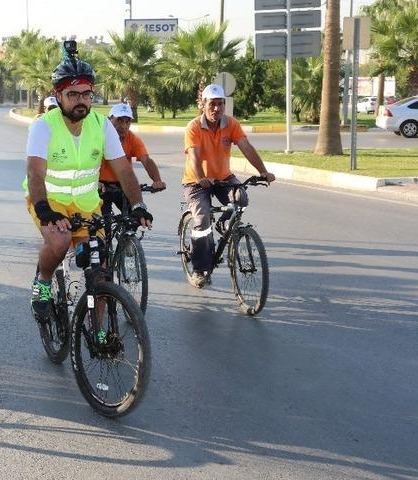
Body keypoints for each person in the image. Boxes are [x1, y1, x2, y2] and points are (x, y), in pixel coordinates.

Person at [25, 42, 153, 320]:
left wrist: (138, 204)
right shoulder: (43, 126)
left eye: (87, 93)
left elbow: (124, 170)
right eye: (73, 94)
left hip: (87, 204)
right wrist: (44, 208)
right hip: (50, 200)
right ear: (58, 96)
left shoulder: (101, 125)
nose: (81, 100)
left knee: (100, 271)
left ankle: (101, 334)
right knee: (59, 244)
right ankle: (43, 282)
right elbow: (35, 174)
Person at [183, 83, 275, 288]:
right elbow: (194, 157)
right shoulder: (194, 127)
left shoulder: (231, 124)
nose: (216, 109)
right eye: (212, 104)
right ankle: (199, 269)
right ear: (203, 105)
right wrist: (201, 178)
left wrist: (263, 171)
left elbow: (246, 147)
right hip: (196, 181)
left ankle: (224, 222)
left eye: (220, 104)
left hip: (223, 177)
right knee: (201, 221)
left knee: (241, 197)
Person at [99, 102, 166, 223]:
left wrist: (157, 180)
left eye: (127, 121)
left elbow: (146, 160)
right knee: (103, 226)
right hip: (101, 186)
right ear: (109, 120)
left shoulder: (132, 139)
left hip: (123, 184)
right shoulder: (99, 137)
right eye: (119, 120)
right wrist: (95, 182)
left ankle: (128, 241)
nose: (124, 126)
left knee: (136, 218)